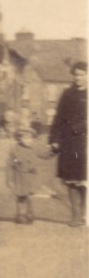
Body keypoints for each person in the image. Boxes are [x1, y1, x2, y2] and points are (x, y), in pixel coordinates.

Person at [49, 61, 87, 226]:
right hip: (70, 142)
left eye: (82, 74)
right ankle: (75, 215)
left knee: (85, 180)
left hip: (86, 142)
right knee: (72, 179)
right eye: (76, 75)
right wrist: (55, 140)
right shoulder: (67, 94)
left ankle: (84, 214)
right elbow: (58, 118)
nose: (78, 78)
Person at [5, 127, 41, 223]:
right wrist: (9, 180)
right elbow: (10, 165)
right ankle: (20, 215)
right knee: (21, 197)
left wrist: (53, 150)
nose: (27, 141)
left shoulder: (35, 148)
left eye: (30, 138)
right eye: (24, 138)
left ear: (33, 138)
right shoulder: (15, 150)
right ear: (19, 138)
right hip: (19, 177)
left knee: (29, 197)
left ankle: (29, 214)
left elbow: (44, 154)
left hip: (31, 177)